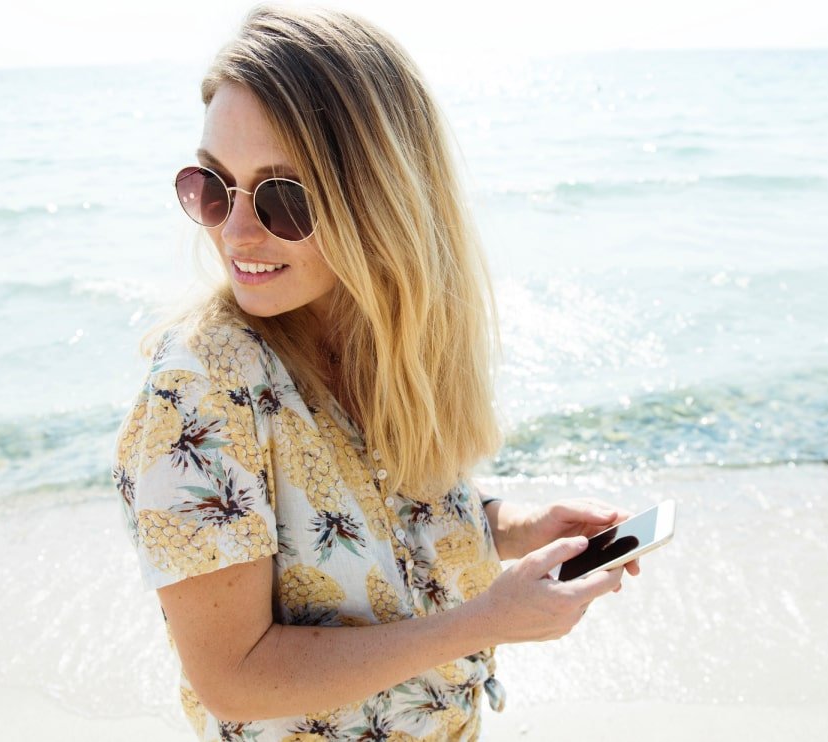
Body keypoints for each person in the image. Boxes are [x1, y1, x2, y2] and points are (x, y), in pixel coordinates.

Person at [111, 5, 642, 740]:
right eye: (214, 184)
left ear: (379, 196)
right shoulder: (201, 390)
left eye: (283, 198)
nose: (234, 230)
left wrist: (519, 527)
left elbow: (388, 519)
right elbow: (232, 677)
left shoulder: (379, 342)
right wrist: (485, 622)